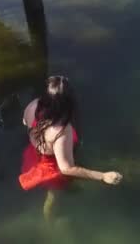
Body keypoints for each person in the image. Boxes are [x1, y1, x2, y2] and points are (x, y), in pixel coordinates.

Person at [19, 75, 123, 219]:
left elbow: (25, 122)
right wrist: (102, 176)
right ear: (68, 104)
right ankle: (50, 224)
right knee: (53, 196)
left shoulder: (33, 105)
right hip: (50, 165)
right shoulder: (61, 131)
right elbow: (66, 169)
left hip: (33, 152)